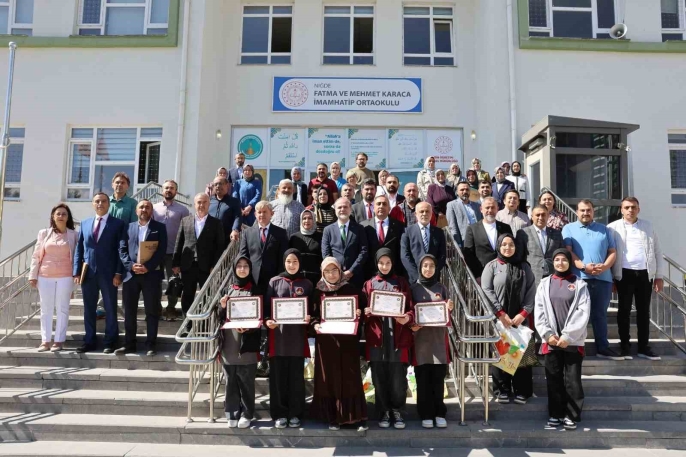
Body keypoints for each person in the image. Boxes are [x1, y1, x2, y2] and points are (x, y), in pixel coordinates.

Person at [535, 249, 591, 431]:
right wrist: (547, 334)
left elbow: (583, 312)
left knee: (573, 381)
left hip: (572, 341)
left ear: (569, 262)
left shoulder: (579, 284)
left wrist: (568, 335)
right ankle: (555, 414)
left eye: (564, 260)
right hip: (551, 341)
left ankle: (571, 416)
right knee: (554, 380)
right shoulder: (544, 284)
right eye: (557, 260)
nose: (560, 263)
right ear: (553, 262)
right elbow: (539, 311)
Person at [311, 257, 368, 432]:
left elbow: (364, 310)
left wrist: (359, 314)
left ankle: (353, 417)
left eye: (334, 270)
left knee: (350, 377)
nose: (331, 274)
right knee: (330, 377)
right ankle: (333, 417)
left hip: (347, 341)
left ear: (340, 271)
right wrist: (315, 324)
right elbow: (313, 315)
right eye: (327, 271)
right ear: (322, 273)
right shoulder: (318, 291)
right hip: (327, 342)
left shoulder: (351, 289)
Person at [608, 197, 665, 361]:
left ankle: (643, 347)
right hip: (623, 274)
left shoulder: (648, 226)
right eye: (627, 207)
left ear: (638, 209)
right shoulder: (612, 228)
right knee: (624, 311)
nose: (630, 210)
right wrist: (611, 278)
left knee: (644, 312)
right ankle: (625, 346)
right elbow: (608, 253)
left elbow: (657, 252)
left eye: (633, 207)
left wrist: (659, 276)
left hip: (645, 274)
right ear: (621, 209)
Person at [562, 200, 620, 360]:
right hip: (579, 279)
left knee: (600, 314)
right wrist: (583, 267)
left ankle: (603, 347)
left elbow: (612, 252)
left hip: (603, 279)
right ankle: (574, 347)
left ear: (593, 211)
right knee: (577, 314)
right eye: (582, 210)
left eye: (588, 210)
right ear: (577, 212)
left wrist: (605, 267)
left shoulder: (604, 229)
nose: (585, 213)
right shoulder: (568, 228)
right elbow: (568, 252)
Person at [482, 234, 536, 405]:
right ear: (499, 246)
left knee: (521, 354)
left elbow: (531, 291)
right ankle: (502, 389)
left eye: (511, 244)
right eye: (504, 244)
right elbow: (487, 290)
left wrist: (523, 313)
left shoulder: (524, 267)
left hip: (520, 320)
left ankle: (522, 390)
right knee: (502, 353)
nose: (507, 248)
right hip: (500, 320)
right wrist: (500, 313)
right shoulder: (492, 266)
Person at [363, 248, 414, 429]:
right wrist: (366, 312)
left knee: (398, 379)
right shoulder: (369, 284)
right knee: (379, 378)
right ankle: (384, 411)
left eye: (388, 263)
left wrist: (407, 318)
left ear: (393, 263)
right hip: (377, 338)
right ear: (376, 263)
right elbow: (360, 311)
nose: (384, 266)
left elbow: (411, 308)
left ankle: (397, 411)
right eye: (381, 263)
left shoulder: (401, 282)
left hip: (397, 338)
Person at [73, 193, 128, 353]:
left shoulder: (118, 224)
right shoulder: (85, 223)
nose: (100, 204)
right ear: (92, 204)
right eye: (97, 201)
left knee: (110, 308)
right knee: (89, 309)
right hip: (88, 273)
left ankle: (110, 342)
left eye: (103, 201)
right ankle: (89, 341)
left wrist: (118, 272)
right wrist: (76, 271)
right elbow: (79, 248)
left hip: (109, 274)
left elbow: (121, 250)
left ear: (108, 204)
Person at [265, 249, 314, 429]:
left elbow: (312, 309)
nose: (291, 265)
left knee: (296, 379)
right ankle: (279, 414)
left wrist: (309, 318)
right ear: (284, 262)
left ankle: (295, 413)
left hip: (297, 338)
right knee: (278, 379)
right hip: (278, 338)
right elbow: (266, 309)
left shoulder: (307, 284)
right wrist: (267, 321)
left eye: (295, 261)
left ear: (300, 263)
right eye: (288, 261)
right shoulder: (274, 282)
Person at [116, 200, 167, 356]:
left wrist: (148, 266)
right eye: (141, 207)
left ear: (152, 211)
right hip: (131, 275)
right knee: (129, 311)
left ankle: (151, 344)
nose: (144, 209)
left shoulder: (160, 228)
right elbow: (122, 249)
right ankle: (129, 344)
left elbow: (161, 251)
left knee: (151, 311)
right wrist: (130, 265)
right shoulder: (128, 227)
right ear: (136, 210)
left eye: (147, 207)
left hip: (151, 275)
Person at [410, 255, 454, 428]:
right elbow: (409, 312)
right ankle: (425, 414)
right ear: (420, 268)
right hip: (420, 341)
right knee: (422, 380)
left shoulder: (441, 288)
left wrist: (450, 308)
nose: (428, 269)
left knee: (438, 379)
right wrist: (412, 325)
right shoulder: (413, 288)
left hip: (438, 341)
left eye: (432, 266)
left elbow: (446, 315)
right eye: (425, 266)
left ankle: (439, 412)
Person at [217, 256, 261, 429]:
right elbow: (219, 316)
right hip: (230, 341)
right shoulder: (227, 290)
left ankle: (247, 414)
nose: (242, 269)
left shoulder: (255, 289)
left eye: (246, 266)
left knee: (247, 381)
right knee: (230, 381)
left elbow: (260, 317)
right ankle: (232, 412)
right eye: (239, 266)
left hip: (247, 342)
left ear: (250, 269)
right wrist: (222, 306)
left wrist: (249, 328)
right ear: (234, 269)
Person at [29, 203, 78, 352]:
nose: (61, 216)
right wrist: (33, 275)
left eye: (64, 214)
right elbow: (36, 255)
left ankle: (58, 341)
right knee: (46, 309)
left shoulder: (74, 234)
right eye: (58, 213)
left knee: (62, 308)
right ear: (53, 216)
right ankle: (45, 341)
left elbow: (77, 256)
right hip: (45, 275)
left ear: (68, 217)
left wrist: (76, 277)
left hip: (66, 276)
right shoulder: (44, 233)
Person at [172, 194, 225, 323]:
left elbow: (220, 246)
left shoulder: (216, 223)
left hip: (207, 266)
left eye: (204, 202)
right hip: (188, 265)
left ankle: (206, 324)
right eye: (199, 202)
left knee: (207, 296)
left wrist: (215, 265)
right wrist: (175, 263)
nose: (201, 205)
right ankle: (187, 325)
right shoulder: (185, 220)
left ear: (209, 204)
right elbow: (179, 242)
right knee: (187, 296)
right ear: (195, 204)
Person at [153, 179, 190, 320]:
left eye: (172, 188)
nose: (169, 190)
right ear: (162, 190)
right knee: (154, 282)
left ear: (176, 191)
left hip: (174, 253)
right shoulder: (154, 208)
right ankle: (156, 308)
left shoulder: (183, 210)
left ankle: (171, 308)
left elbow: (187, 231)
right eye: (166, 188)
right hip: (155, 252)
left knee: (173, 282)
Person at [239, 201, 289, 294]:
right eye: (259, 212)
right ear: (255, 214)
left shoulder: (280, 233)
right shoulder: (247, 233)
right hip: (253, 281)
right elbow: (243, 255)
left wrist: (280, 277)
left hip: (274, 280)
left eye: (265, 212)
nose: (262, 215)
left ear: (272, 213)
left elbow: (283, 257)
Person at [321, 197, 369, 288]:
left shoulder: (359, 228)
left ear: (350, 209)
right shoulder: (328, 230)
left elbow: (363, 251)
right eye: (339, 207)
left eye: (345, 207)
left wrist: (351, 271)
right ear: (335, 210)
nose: (342, 209)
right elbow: (326, 254)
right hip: (334, 278)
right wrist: (336, 271)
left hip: (355, 277)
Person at [463, 197, 513, 280]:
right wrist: (476, 276)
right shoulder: (472, 229)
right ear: (481, 209)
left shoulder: (506, 228)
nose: (490, 210)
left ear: (497, 209)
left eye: (493, 207)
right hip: (482, 274)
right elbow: (468, 255)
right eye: (487, 208)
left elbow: (511, 249)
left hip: (504, 274)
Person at [516, 205, 563, 288]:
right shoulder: (523, 233)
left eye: (543, 215)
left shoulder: (557, 233)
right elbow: (519, 257)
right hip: (531, 276)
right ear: (532, 217)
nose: (540, 217)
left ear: (548, 216)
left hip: (553, 276)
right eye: (537, 215)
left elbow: (561, 253)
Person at [400, 202, 447, 284]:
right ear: (416, 214)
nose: (424, 214)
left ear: (431, 214)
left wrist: (432, 272)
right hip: (414, 281)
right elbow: (405, 256)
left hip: (433, 280)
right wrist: (417, 277)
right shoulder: (407, 232)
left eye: (427, 211)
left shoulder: (439, 232)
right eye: (421, 211)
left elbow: (442, 256)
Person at [361, 195, 406, 279]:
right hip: (369, 274)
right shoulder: (363, 226)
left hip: (393, 274)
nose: (381, 206)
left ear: (389, 208)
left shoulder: (399, 226)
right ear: (373, 208)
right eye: (378, 204)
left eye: (384, 204)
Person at [289, 210, 323, 284]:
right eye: (304, 218)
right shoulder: (294, 237)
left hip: (316, 279)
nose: (307, 221)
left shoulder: (321, 237)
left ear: (314, 220)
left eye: (310, 218)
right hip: (297, 278)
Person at [446, 182, 482, 248]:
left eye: (467, 189)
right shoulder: (451, 205)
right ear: (457, 192)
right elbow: (452, 226)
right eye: (462, 190)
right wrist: (458, 243)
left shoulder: (477, 205)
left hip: (478, 240)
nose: (465, 191)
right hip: (464, 241)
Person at [209, 176, 242, 248]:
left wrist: (235, 230)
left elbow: (237, 217)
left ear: (227, 185)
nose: (218, 186)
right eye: (216, 184)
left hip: (226, 239)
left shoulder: (234, 202)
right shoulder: (209, 200)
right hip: (210, 239)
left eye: (220, 183)